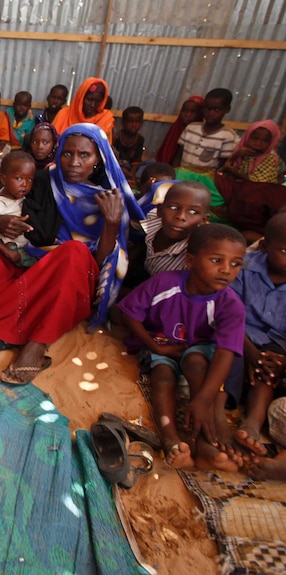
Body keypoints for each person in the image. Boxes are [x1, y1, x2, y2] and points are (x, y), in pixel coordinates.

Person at [0, 123, 143, 375]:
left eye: (84, 155)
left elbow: (99, 265)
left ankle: (34, 343)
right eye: (67, 153)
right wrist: (0, 221)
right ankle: (5, 328)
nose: (73, 162)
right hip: (30, 261)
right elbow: (11, 199)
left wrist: (111, 224)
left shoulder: (108, 197)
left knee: (74, 251)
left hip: (71, 278)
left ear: (98, 158)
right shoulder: (45, 179)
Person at [117, 224, 246, 471]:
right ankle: (171, 440)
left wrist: (203, 399)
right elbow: (129, 313)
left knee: (196, 363)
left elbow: (225, 353)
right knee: (162, 377)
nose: (226, 270)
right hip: (162, 344)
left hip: (198, 349)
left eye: (236, 263)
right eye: (217, 260)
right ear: (190, 260)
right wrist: (154, 345)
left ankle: (205, 445)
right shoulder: (164, 284)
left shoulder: (231, 304)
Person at [230, 214, 286, 478]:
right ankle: (250, 422)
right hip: (240, 337)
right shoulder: (244, 269)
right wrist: (251, 352)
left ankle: (253, 421)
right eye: (285, 250)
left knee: (270, 363)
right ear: (264, 246)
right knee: (232, 357)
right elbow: (226, 314)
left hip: (278, 348)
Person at [175, 88, 239, 171]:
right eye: (208, 109)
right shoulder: (191, 128)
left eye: (216, 110)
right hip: (182, 175)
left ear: (227, 109)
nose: (211, 113)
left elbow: (221, 166)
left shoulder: (228, 136)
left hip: (205, 180)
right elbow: (178, 155)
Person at [53, 78, 115, 143]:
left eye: (98, 101)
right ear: (81, 98)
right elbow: (52, 140)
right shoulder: (64, 114)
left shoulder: (105, 119)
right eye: (89, 99)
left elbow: (105, 148)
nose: (93, 105)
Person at [154, 96, 203, 165]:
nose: (188, 115)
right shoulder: (176, 128)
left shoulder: (201, 133)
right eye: (185, 111)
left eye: (193, 112)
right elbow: (165, 153)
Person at [113, 106, 146, 182]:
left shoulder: (140, 139)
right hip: (118, 165)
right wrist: (123, 170)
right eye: (130, 122)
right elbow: (112, 158)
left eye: (138, 122)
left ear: (142, 123)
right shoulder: (116, 137)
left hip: (131, 167)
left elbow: (137, 159)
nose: (134, 125)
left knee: (150, 164)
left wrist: (132, 173)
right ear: (123, 123)